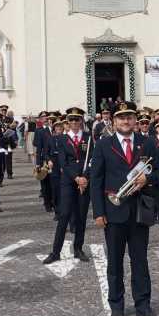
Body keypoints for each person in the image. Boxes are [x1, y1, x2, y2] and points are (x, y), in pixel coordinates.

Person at [90, 101, 158, 316]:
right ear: (114, 121)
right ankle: (117, 306)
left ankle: (143, 305)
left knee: (140, 261)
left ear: (135, 120)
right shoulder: (103, 145)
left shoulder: (147, 143)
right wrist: (99, 213)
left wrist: (147, 177)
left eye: (129, 117)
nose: (126, 121)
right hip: (114, 211)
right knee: (115, 263)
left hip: (139, 211)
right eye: (121, 117)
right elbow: (96, 180)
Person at [43, 107, 92, 264]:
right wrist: (77, 178)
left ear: (81, 121)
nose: (74, 122)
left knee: (81, 216)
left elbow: (92, 160)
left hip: (85, 182)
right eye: (71, 120)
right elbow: (63, 163)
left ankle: (78, 248)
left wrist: (85, 178)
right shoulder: (62, 139)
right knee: (64, 215)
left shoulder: (89, 137)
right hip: (68, 182)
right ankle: (55, 252)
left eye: (77, 119)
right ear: (67, 122)